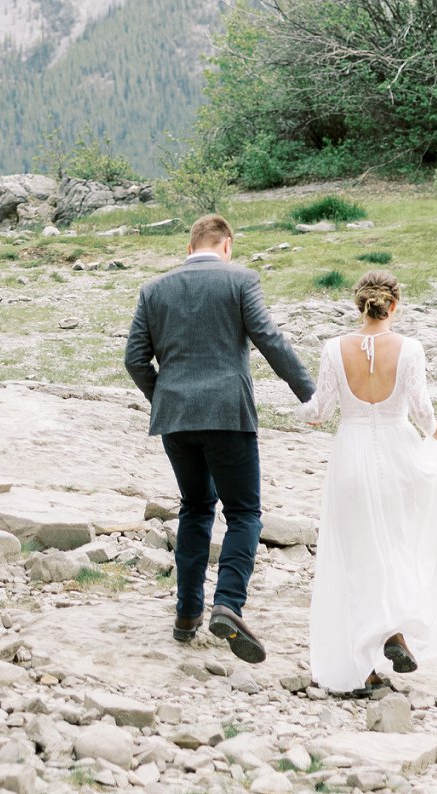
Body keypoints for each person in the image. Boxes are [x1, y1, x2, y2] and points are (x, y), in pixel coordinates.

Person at [123, 213, 314, 662]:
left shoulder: (154, 289)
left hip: (176, 419)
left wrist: (165, 397)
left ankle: (187, 613)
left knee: (195, 507)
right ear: (227, 244)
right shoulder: (241, 280)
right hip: (228, 414)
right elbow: (270, 340)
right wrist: (309, 393)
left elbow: (134, 359)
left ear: (190, 248)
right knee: (245, 512)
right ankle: (228, 603)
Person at [301, 270, 437, 693]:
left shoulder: (334, 349)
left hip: (351, 455)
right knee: (400, 546)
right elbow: (422, 410)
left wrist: (297, 407)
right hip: (399, 455)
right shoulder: (410, 349)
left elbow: (318, 412)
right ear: (394, 305)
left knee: (354, 555)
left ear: (357, 303)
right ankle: (395, 632)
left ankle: (362, 665)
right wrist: (436, 429)